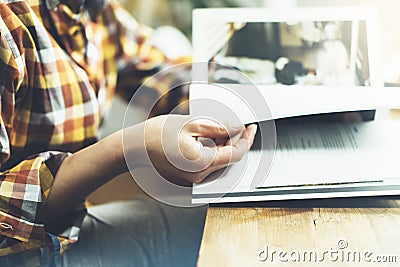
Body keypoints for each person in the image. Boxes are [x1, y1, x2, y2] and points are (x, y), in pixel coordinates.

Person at [0, 0, 257, 266]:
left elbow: (152, 69)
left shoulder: (95, 11)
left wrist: (217, 88)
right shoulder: (7, 25)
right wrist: (132, 147)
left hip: (59, 233)